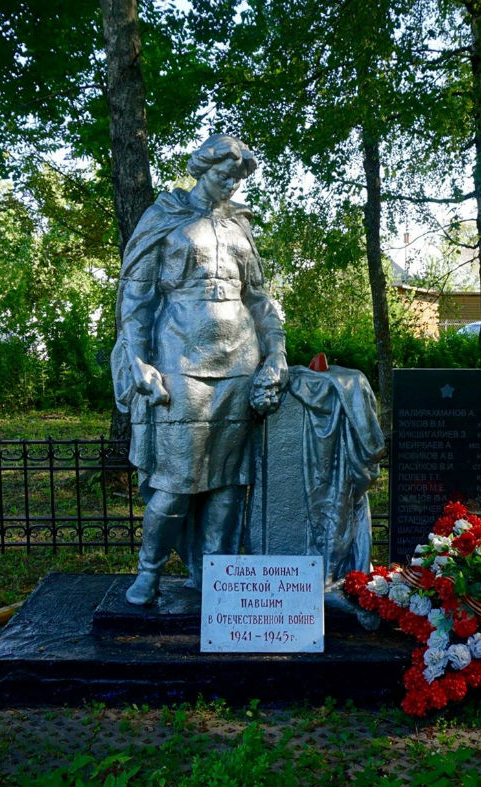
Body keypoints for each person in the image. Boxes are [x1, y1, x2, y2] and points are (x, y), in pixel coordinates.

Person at [111, 134, 288, 605]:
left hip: (240, 363)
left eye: (237, 177)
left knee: (229, 480)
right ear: (201, 169)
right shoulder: (164, 218)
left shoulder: (240, 228)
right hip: (179, 363)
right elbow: (136, 298)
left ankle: (215, 575)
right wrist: (136, 360)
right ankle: (149, 571)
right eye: (221, 174)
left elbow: (260, 300)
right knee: (175, 480)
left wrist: (277, 353)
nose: (230, 184)